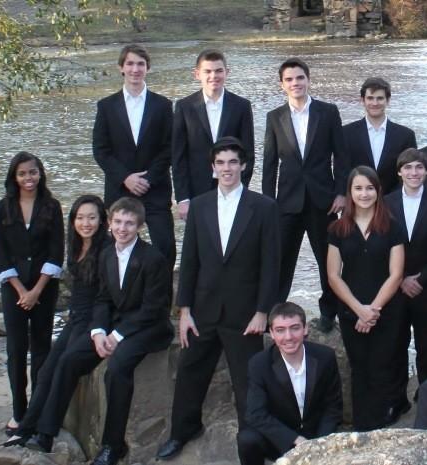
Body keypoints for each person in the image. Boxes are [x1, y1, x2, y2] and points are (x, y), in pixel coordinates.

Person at [157, 137, 280, 461]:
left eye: (232, 162)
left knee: (247, 382)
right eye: (221, 163)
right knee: (190, 373)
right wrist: (185, 310)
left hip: (245, 313)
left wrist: (262, 311)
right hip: (204, 308)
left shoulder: (264, 207)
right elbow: (191, 260)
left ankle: (252, 441)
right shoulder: (198, 206)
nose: (227, 168)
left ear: (243, 166)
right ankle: (182, 431)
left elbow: (272, 265)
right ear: (213, 169)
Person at [29, 197, 173, 465]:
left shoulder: (153, 258)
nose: (122, 228)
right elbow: (103, 299)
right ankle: (45, 432)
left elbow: (155, 308)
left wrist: (117, 336)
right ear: (110, 223)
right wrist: (97, 331)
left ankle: (112, 446)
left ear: (139, 226)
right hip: (115, 324)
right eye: (118, 222)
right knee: (70, 358)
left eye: (129, 224)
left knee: (117, 368)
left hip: (150, 327)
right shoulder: (106, 254)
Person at [0, 195, 109, 450]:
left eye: (92, 217)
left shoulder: (106, 250)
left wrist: (99, 328)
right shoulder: (75, 245)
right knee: (47, 369)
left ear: (102, 221)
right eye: (80, 218)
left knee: (65, 364)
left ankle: (46, 435)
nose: (86, 223)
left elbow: (107, 296)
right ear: (72, 222)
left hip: (95, 320)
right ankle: (26, 428)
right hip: (76, 318)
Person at [262, 58, 349, 333]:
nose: (295, 83)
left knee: (327, 259)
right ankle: (274, 312)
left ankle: (328, 313)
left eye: (299, 78)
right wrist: (268, 201)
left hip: (322, 200)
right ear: (282, 85)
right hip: (286, 201)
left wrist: (341, 193)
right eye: (289, 79)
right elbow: (269, 163)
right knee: (281, 259)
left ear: (308, 80)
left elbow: (341, 156)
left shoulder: (328, 112)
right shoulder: (274, 117)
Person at [326, 166, 406, 430]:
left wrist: (373, 310)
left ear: (378, 190)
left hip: (386, 310)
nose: (364, 193)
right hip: (351, 311)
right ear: (349, 192)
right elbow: (334, 276)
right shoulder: (337, 229)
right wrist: (359, 310)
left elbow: (396, 274)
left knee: (383, 368)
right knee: (359, 370)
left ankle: (381, 428)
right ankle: (362, 429)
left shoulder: (392, 226)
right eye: (358, 188)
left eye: (369, 188)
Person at [0, 151, 64, 437]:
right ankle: (19, 412)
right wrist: (22, 290)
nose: (28, 178)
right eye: (22, 173)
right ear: (14, 177)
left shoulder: (52, 206)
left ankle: (39, 409)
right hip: (14, 290)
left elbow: (57, 250)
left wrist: (36, 290)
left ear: (40, 173)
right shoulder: (2, 208)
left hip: (44, 287)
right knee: (16, 350)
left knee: (42, 347)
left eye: (33, 172)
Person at [92, 44, 175, 268]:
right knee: (116, 248)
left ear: (147, 68)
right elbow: (100, 150)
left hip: (154, 189)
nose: (135, 69)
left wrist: (148, 179)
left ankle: (162, 300)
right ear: (121, 67)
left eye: (140, 64)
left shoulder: (163, 105)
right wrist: (126, 177)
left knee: (165, 246)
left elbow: (169, 148)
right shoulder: (107, 106)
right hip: (120, 189)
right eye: (130, 63)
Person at [238, 302, 343, 465]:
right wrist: (294, 439)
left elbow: (333, 407)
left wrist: (319, 443)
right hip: (280, 437)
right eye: (280, 330)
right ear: (271, 333)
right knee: (247, 439)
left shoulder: (325, 357)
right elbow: (255, 414)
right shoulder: (259, 364)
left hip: (315, 434)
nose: (288, 337)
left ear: (305, 329)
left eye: (294, 328)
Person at [384, 149, 427, 398]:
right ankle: (397, 400)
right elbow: (382, 246)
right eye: (407, 167)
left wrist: (420, 278)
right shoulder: (386, 203)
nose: (413, 172)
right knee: (395, 345)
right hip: (395, 287)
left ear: (426, 172)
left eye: (419, 167)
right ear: (399, 172)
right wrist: (400, 279)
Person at [172, 49, 255, 220]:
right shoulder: (184, 106)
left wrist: (242, 188)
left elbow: (248, 153)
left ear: (227, 72)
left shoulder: (241, 106)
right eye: (207, 71)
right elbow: (178, 156)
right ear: (197, 74)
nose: (213, 76)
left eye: (218, 70)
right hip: (196, 190)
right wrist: (183, 198)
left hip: (233, 186)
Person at [343, 77, 417, 195]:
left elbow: (410, 172)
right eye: (370, 98)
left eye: (380, 98)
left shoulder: (406, 135)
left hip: (393, 202)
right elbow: (343, 169)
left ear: (388, 100)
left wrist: (394, 198)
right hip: (358, 199)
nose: (375, 103)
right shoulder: (346, 133)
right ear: (362, 100)